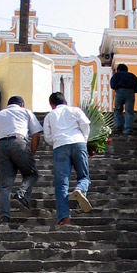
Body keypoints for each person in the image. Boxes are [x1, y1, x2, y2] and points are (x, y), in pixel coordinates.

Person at [0, 95, 42, 223]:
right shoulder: (26, 112)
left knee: (3, 186)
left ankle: (4, 217)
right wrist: (31, 153)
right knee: (31, 174)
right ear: (22, 105)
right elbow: (36, 134)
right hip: (19, 142)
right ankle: (21, 196)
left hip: (0, 146)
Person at [43, 92, 92, 226]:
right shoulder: (75, 110)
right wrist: (84, 139)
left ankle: (65, 218)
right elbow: (86, 124)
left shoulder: (50, 116)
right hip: (78, 142)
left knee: (61, 185)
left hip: (60, 146)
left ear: (52, 105)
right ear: (65, 102)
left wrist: (57, 141)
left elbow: (47, 137)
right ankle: (80, 190)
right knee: (84, 176)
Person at [109, 64, 137, 136]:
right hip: (130, 93)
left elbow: (112, 85)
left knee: (118, 109)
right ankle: (128, 129)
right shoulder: (132, 76)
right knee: (129, 111)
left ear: (118, 69)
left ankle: (119, 125)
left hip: (120, 92)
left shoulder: (116, 75)